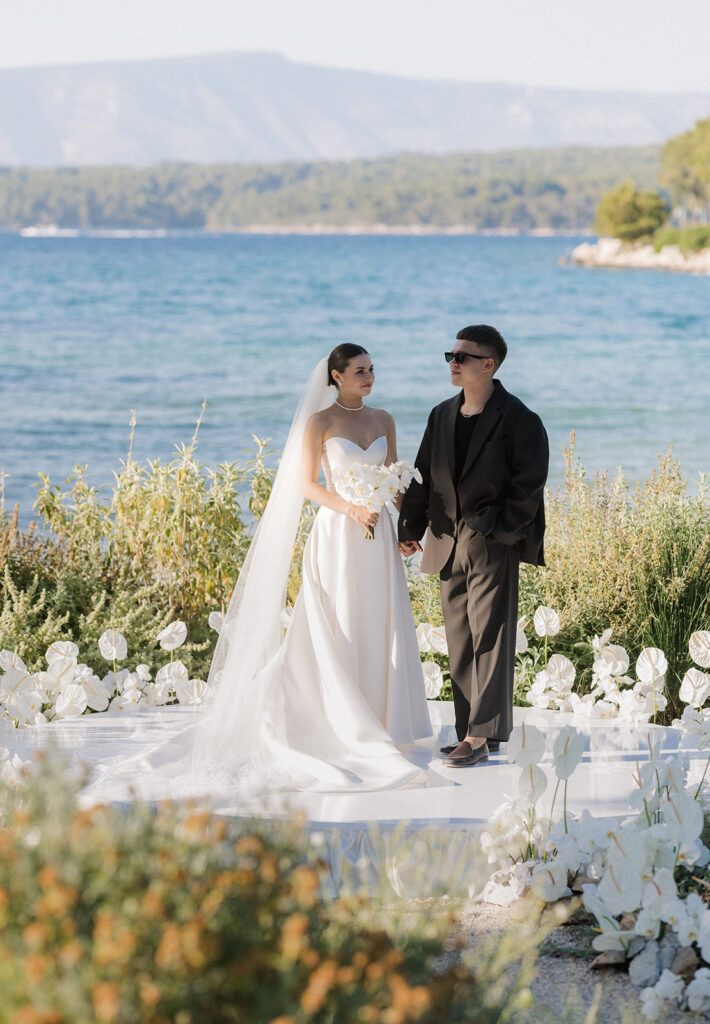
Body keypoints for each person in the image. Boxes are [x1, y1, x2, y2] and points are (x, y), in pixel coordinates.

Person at [85, 346, 431, 805]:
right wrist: (349, 508)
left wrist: (405, 529)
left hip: (379, 534)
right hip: (338, 533)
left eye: (372, 369)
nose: (370, 376)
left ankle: (381, 719)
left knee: (378, 621)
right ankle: (337, 720)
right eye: (360, 370)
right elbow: (308, 484)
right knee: (340, 622)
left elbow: (393, 481)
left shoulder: (384, 419)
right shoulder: (320, 423)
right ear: (336, 375)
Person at [398, 325, 548, 767]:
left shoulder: (521, 419)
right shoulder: (441, 414)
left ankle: (481, 735)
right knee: (460, 639)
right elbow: (424, 474)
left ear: (489, 364)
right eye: (450, 355)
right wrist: (410, 526)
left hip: (490, 540)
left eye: (462, 356)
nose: (453, 362)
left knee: (492, 637)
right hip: (445, 540)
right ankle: (470, 730)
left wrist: (499, 533)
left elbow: (529, 486)